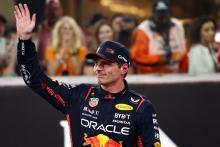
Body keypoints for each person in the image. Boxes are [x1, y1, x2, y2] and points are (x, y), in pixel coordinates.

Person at [14, 3, 161, 146]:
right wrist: (25, 40)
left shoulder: (141, 107)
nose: (98, 68)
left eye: (106, 64)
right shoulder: (79, 95)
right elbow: (34, 78)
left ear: (123, 68)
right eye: (97, 63)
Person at [131, 0, 186, 74]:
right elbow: (137, 57)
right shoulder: (143, 30)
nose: (163, 19)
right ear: (153, 14)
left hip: (176, 74)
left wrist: (184, 72)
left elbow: (184, 52)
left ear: (170, 13)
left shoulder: (177, 26)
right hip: (151, 77)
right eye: (160, 16)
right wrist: (159, 59)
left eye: (165, 15)